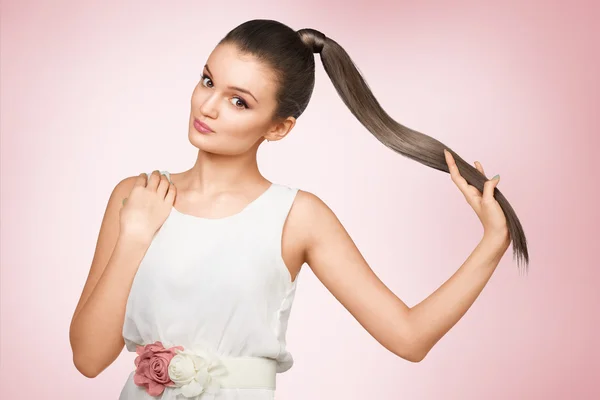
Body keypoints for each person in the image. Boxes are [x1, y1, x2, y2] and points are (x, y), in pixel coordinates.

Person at [69, 19, 527, 400]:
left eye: (238, 101)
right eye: (208, 80)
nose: (207, 105)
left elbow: (409, 338)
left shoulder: (297, 217)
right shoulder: (136, 195)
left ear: (279, 128)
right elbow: (89, 360)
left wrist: (493, 242)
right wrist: (135, 236)